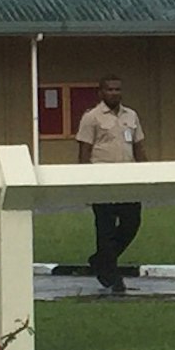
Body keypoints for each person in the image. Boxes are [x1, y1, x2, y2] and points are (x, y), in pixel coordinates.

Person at [71, 81, 144, 291]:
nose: (114, 93)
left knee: (132, 223)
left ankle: (100, 260)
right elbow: (84, 150)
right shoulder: (92, 117)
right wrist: (85, 180)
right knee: (106, 230)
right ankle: (113, 278)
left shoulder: (131, 115)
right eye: (110, 89)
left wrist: (147, 173)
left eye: (118, 89)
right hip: (102, 181)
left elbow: (138, 146)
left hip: (128, 181)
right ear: (101, 92)